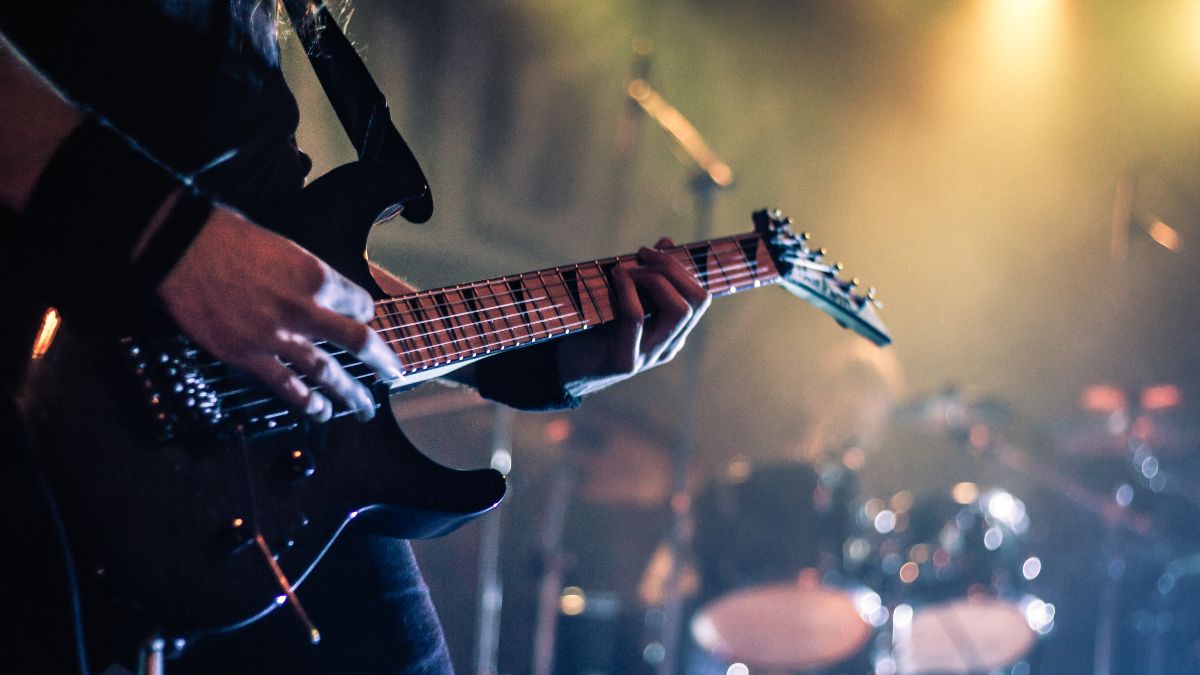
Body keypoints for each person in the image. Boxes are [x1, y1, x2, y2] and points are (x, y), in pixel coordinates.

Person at [0, 3, 710, 673]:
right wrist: (173, 238)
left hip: (261, 438)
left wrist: (535, 359)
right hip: (36, 383)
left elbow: (276, 241)